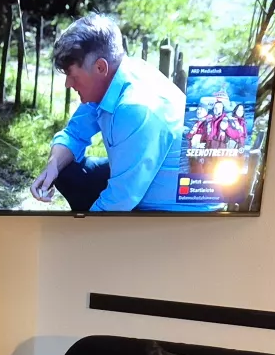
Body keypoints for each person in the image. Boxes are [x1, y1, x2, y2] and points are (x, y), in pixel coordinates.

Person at [28, 14, 187, 213]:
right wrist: (53, 166)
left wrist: (83, 229)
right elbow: (74, 133)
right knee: (66, 171)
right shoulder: (114, 77)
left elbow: (120, 200)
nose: (68, 84)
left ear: (100, 67)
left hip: (177, 213)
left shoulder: (136, 108)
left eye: (73, 76)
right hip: (142, 185)